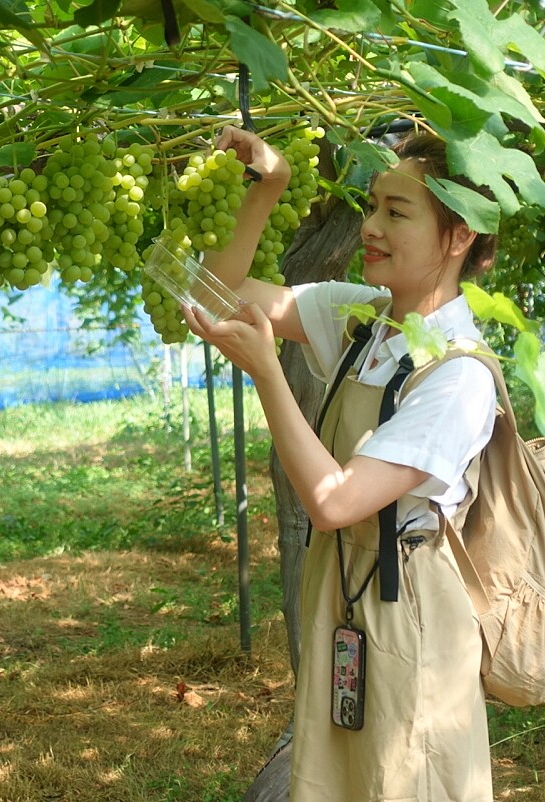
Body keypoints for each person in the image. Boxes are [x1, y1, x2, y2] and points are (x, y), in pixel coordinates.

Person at [183, 126, 499, 802]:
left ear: (459, 236)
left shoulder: (458, 376)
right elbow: (216, 289)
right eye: (372, 206)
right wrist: (268, 190)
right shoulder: (365, 319)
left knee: (404, 778)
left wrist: (268, 372)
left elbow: (333, 501)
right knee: (336, 781)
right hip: (342, 589)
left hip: (405, 604)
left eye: (397, 211)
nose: (370, 227)